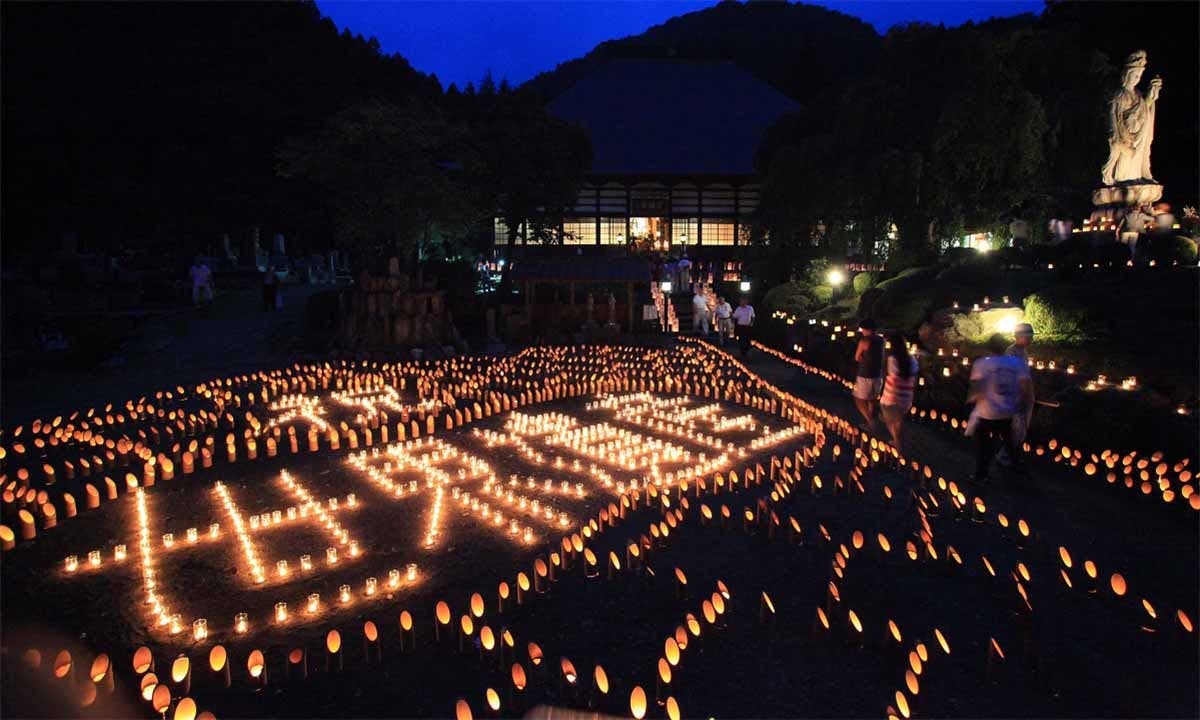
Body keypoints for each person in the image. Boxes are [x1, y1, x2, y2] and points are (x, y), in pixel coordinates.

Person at [967, 335, 1034, 484]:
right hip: (1006, 412)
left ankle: (981, 475)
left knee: (983, 445)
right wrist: (1022, 402)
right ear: (1005, 347)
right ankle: (1016, 469)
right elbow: (1025, 386)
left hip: (986, 412)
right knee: (1009, 441)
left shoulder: (982, 364)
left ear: (989, 348)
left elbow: (975, 389)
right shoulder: (1017, 363)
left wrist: (972, 400)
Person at [1000, 322, 1036, 465]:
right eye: (1029, 337)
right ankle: (1004, 457)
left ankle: (1012, 456)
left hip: (1024, 395)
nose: (1030, 340)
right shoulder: (1011, 352)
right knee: (1015, 428)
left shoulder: (1023, 352)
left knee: (1021, 429)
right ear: (1020, 336)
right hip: (1015, 396)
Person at [879, 331, 918, 451]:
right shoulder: (912, 360)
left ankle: (897, 442)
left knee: (890, 419)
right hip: (906, 397)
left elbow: (891, 376)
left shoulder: (892, 359)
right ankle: (896, 440)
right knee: (897, 419)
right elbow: (915, 378)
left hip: (892, 396)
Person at [852, 318, 885, 432]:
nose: (861, 331)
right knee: (872, 399)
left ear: (867, 329)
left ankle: (870, 421)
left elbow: (857, 357)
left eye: (862, 329)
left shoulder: (864, 341)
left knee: (859, 399)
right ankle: (870, 423)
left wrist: (863, 358)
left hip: (865, 374)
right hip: (877, 374)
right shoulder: (881, 340)